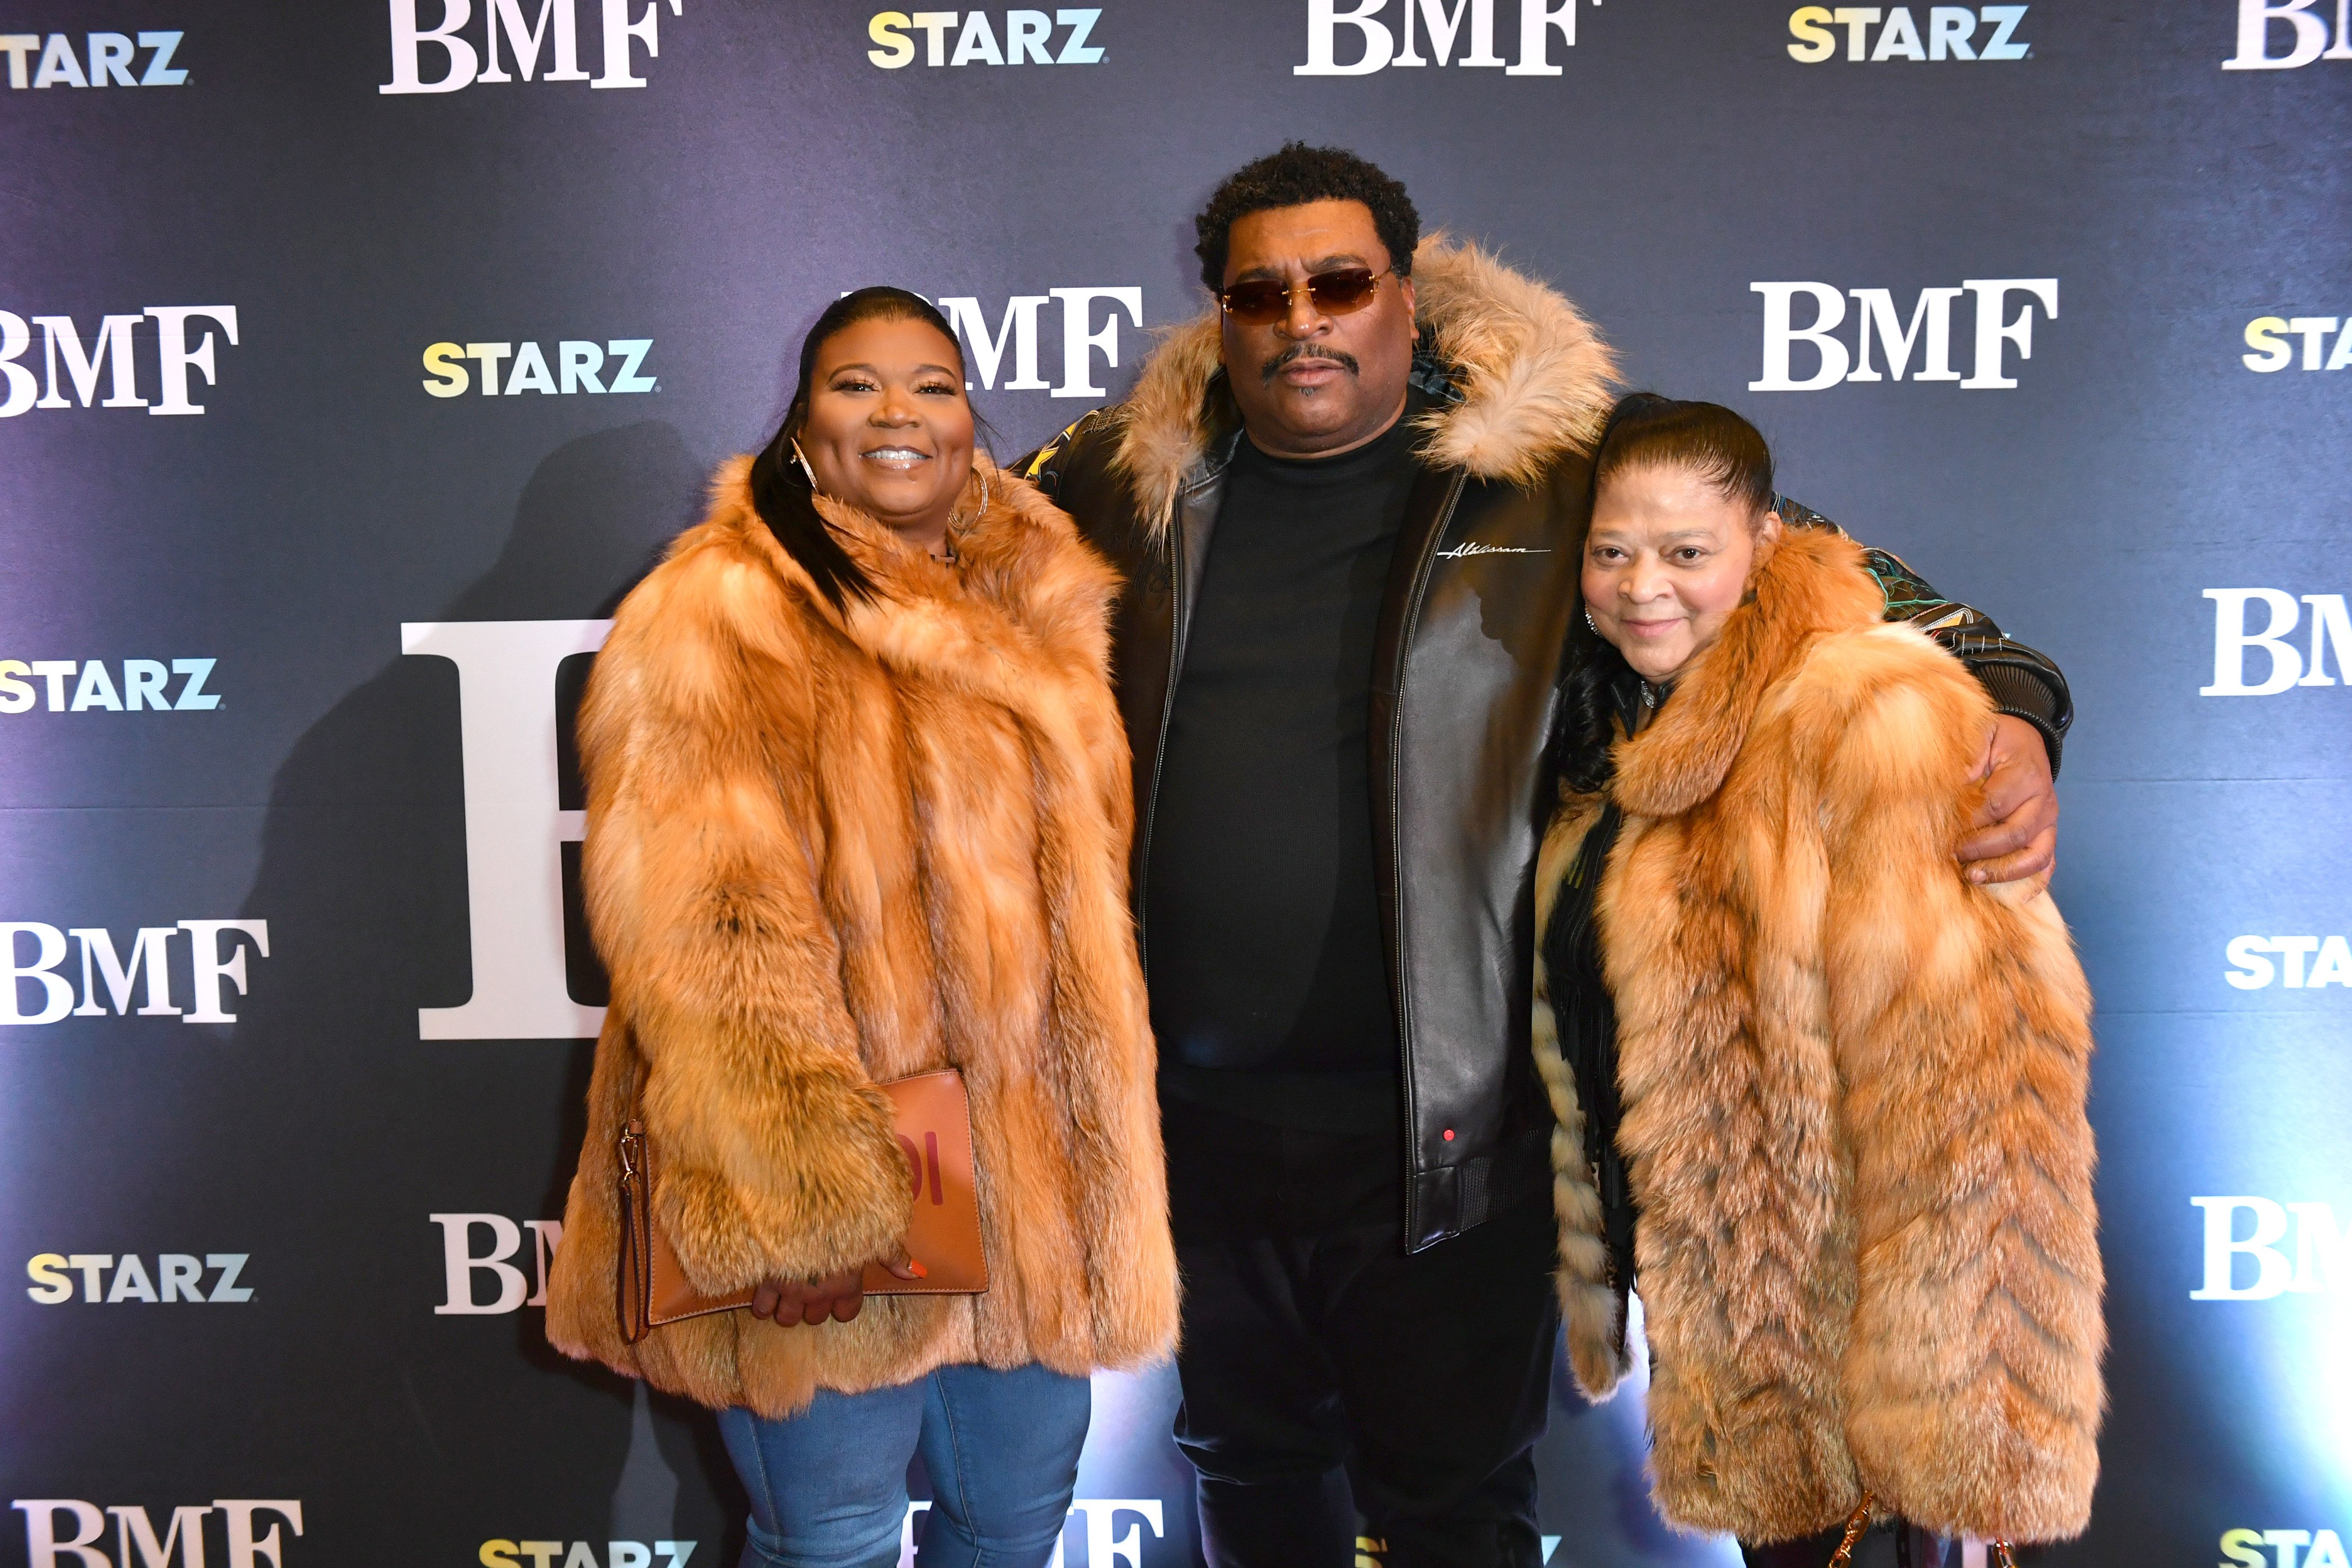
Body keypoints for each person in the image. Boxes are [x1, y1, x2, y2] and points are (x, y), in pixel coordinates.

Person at [1018, 144, 2075, 1568]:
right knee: (1248, 1476)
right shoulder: (1113, 483)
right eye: (1260, 295)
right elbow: (891, 539)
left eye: (1339, 282)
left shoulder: (1562, 466)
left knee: (1451, 1508)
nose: (1303, 319)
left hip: (1456, 1132)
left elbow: (1854, 591)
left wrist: (2011, 707)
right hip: (1191, 1132)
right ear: (1221, 316)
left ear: (1408, 295)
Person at [542, 287, 1180, 1568]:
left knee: (1011, 1534)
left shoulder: (1045, 596)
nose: (899, 411)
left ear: (969, 416)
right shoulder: (721, 607)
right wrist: (801, 1200)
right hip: (835, 1177)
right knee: (830, 1542)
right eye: (857, 383)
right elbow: (709, 929)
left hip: (1027, 1185)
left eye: (933, 384)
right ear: (801, 421)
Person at [1533, 395, 2102, 1568]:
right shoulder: (1606, 722)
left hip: (1881, 1332)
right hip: (1744, 1318)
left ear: (1768, 542)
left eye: (1690, 552)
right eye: (1613, 551)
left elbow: (1969, 1081)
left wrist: (1958, 1396)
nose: (1646, 585)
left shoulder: (1865, 709)